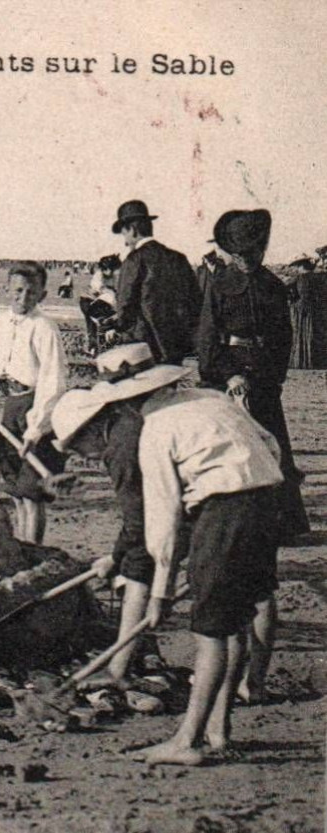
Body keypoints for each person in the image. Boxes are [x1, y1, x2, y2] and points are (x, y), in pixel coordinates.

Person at [114, 374, 282, 765]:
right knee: (236, 619)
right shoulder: (211, 398)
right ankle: (218, 731)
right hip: (266, 499)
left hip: (225, 507)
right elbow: (270, 442)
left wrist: (160, 592)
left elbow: (164, 518)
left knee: (211, 630)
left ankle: (187, 741)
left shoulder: (154, 430)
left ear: (129, 404)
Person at [51, 344, 181, 687]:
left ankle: (118, 669)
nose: (85, 459)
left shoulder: (121, 445)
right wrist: (115, 556)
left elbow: (138, 520)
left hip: (195, 498)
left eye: (79, 449)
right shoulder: (135, 420)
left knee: (138, 566)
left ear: (91, 430)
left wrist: (118, 557)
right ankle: (252, 679)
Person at [196, 208, 310, 541]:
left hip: (263, 378)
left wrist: (274, 376)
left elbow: (283, 336)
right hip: (226, 378)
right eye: (242, 254)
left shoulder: (272, 285)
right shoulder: (218, 284)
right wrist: (229, 375)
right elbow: (206, 337)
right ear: (232, 253)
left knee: (273, 447)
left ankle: (283, 524)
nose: (248, 259)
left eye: (255, 253)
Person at [0, 261, 68, 544]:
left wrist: (36, 429)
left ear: (42, 295)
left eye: (31, 293)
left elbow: (52, 381)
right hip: (11, 404)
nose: (22, 298)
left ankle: (34, 548)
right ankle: (22, 547)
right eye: (18, 291)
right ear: (6, 289)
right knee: (15, 487)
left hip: (38, 408)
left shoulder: (44, 328)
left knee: (32, 491)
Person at [109, 199, 201, 364]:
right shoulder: (178, 258)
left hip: (143, 348)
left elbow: (125, 306)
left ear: (132, 230)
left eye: (124, 234)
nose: (125, 241)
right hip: (176, 347)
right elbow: (195, 303)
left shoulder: (134, 260)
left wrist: (116, 327)